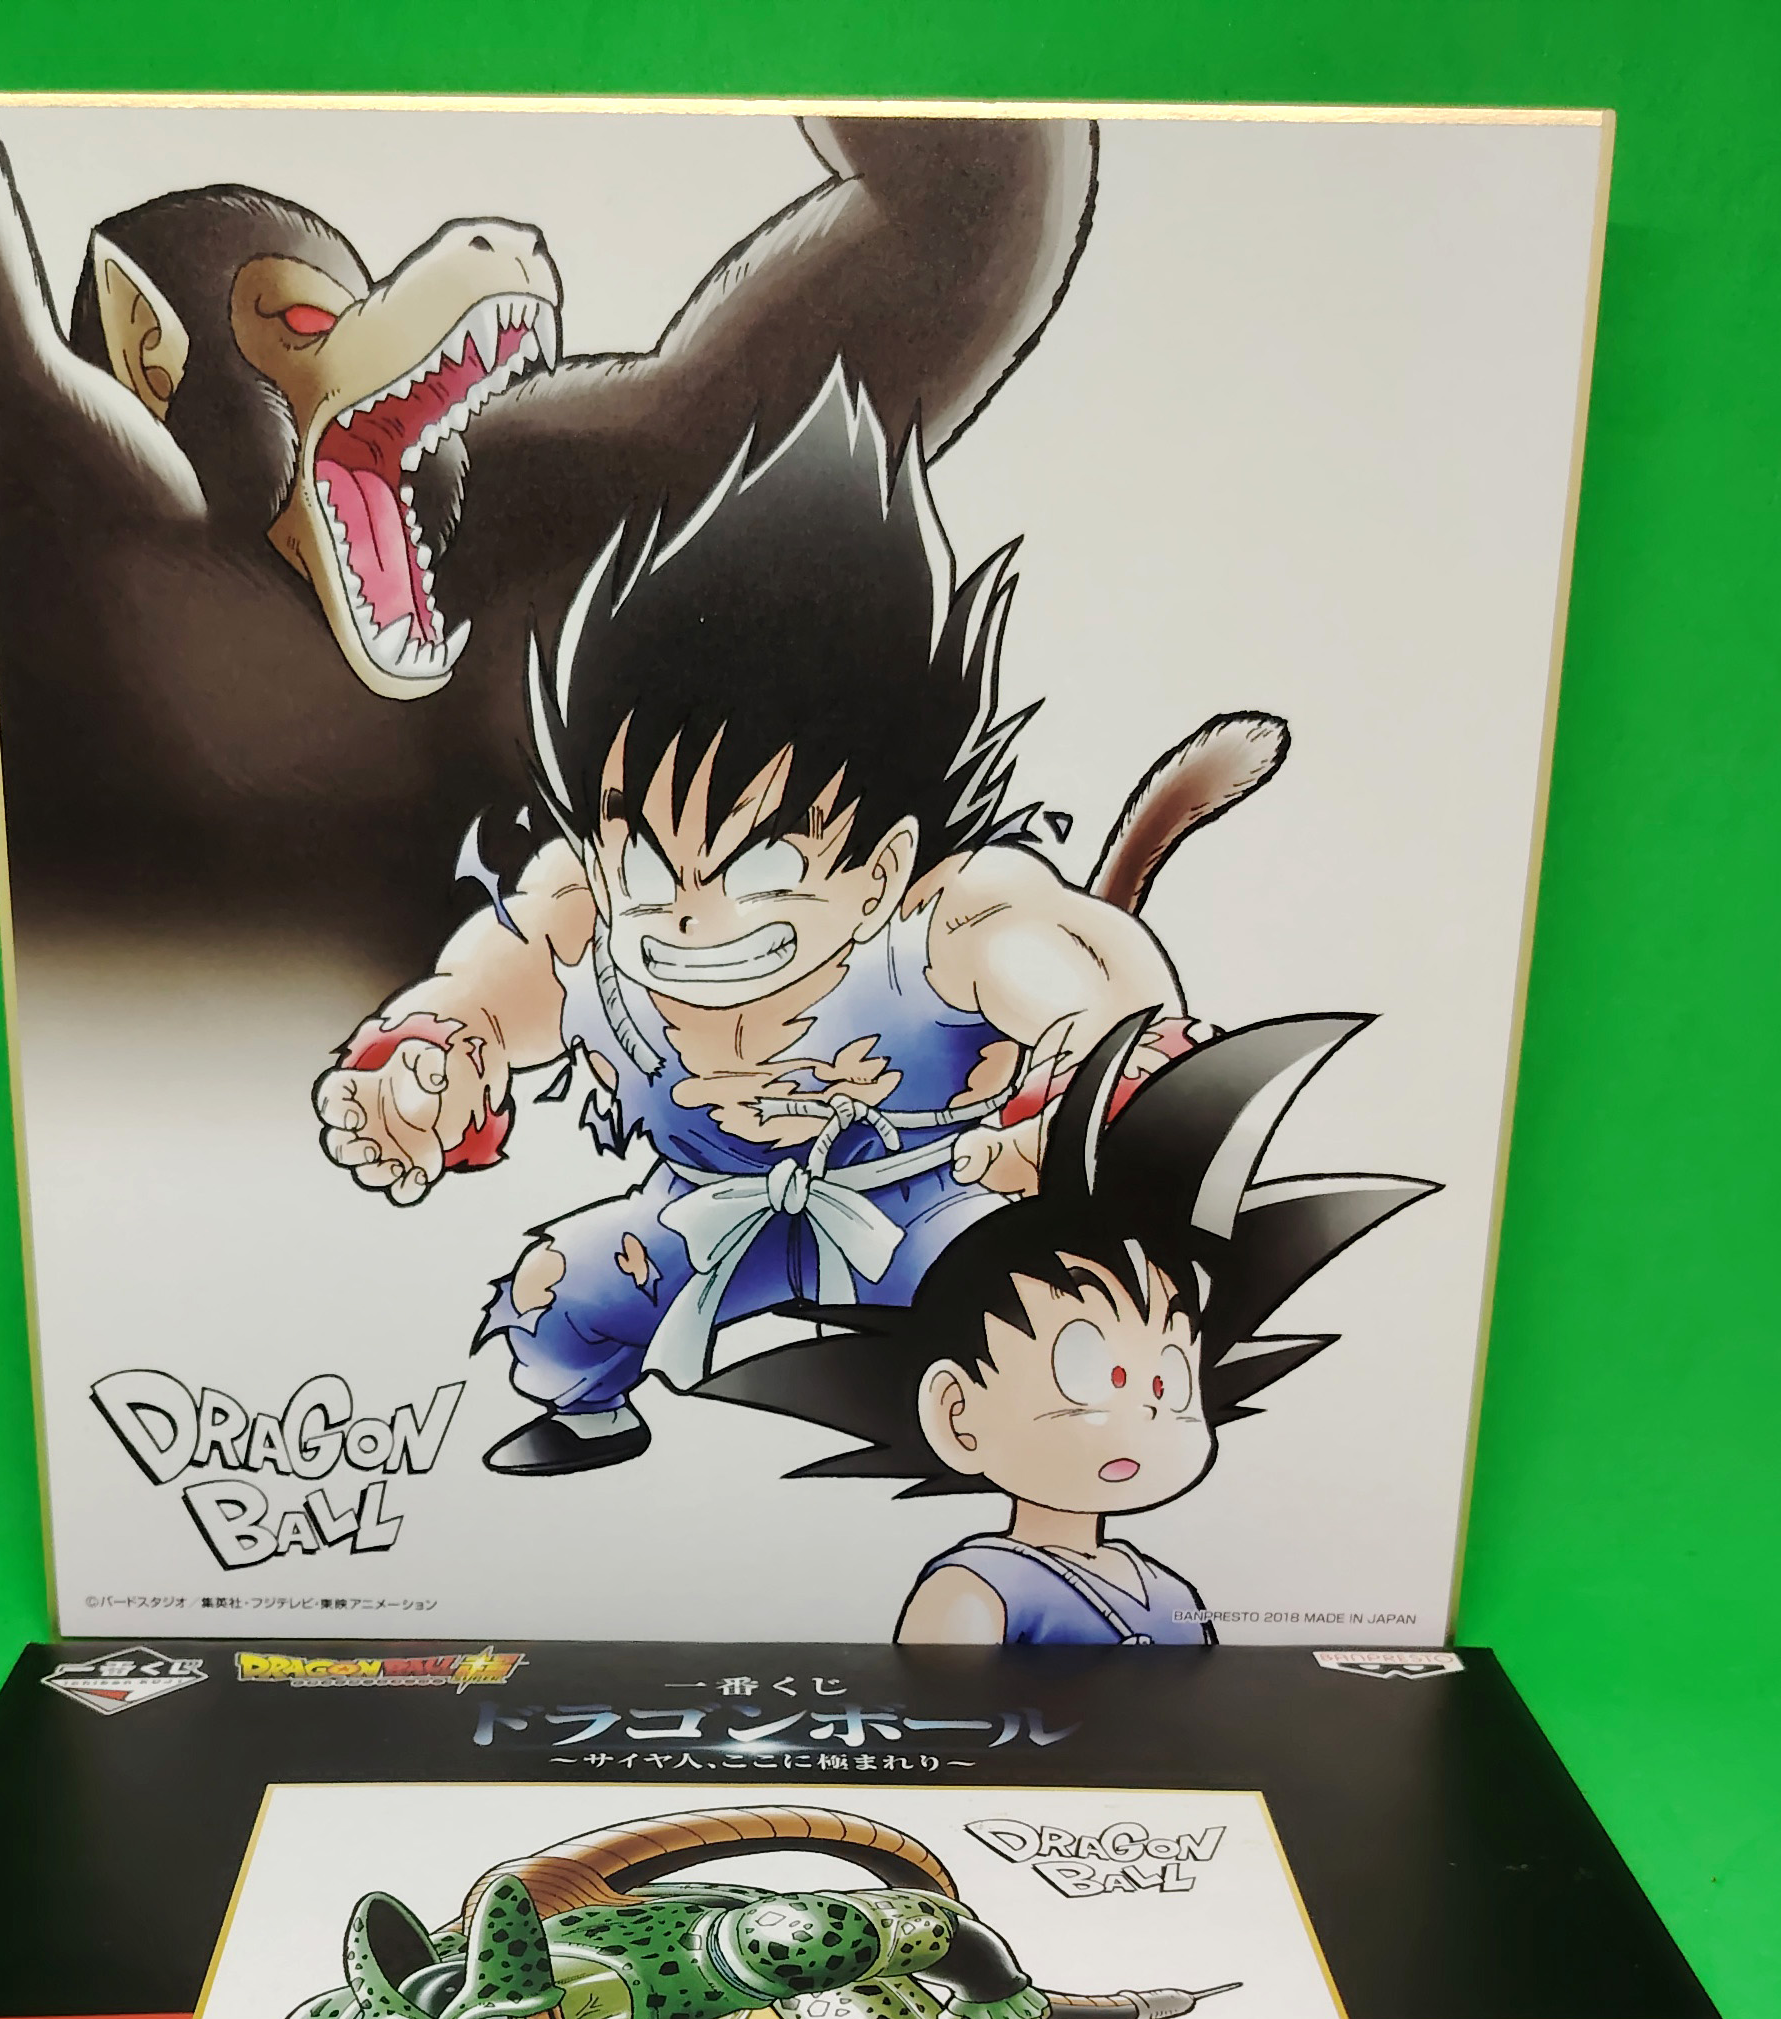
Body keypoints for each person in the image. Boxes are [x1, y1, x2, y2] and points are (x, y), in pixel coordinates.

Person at [309, 367, 1228, 1476]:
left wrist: (1088, 1097)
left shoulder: (944, 918)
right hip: (704, 1212)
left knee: (1058, 1344)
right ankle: (593, 1419)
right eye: (646, 857)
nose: (687, 912)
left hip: (937, 1209)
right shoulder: (584, 902)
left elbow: (1077, 969)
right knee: (554, 1308)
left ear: (882, 869)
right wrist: (435, 1055)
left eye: (761, 865)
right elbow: (496, 982)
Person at [695, 1015, 1437, 1643]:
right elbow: (941, 1733)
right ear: (957, 1412)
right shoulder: (975, 1593)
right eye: (1089, 1371)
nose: (1144, 1407)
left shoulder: (1173, 1593)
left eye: (1167, 1381)